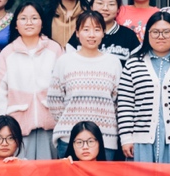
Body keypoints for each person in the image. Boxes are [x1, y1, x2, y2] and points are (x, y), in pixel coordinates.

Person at [117, 12, 170, 164]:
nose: (160, 36)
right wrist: (126, 138)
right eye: (155, 32)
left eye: (166, 32)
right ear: (147, 34)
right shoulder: (133, 63)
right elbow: (125, 104)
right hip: (141, 143)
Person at [0, 1, 62, 161]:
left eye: (34, 18)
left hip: (50, 127)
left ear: (42, 22)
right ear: (16, 25)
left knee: (48, 172)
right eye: (23, 18)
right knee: (20, 172)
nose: (29, 22)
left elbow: (64, 88)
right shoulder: (7, 53)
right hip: (16, 129)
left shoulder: (55, 49)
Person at [47, 10, 122, 160]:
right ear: (77, 33)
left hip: (105, 139)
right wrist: (69, 123)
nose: (91, 35)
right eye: (86, 30)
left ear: (103, 33)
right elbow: (54, 100)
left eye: (97, 30)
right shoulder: (64, 61)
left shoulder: (113, 62)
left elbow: (118, 101)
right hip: (69, 138)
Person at [69, 0, 139, 62]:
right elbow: (68, 62)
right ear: (91, 6)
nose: (105, 8)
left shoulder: (129, 36)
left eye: (111, 4)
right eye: (100, 3)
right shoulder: (81, 33)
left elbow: (137, 65)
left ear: (118, 9)